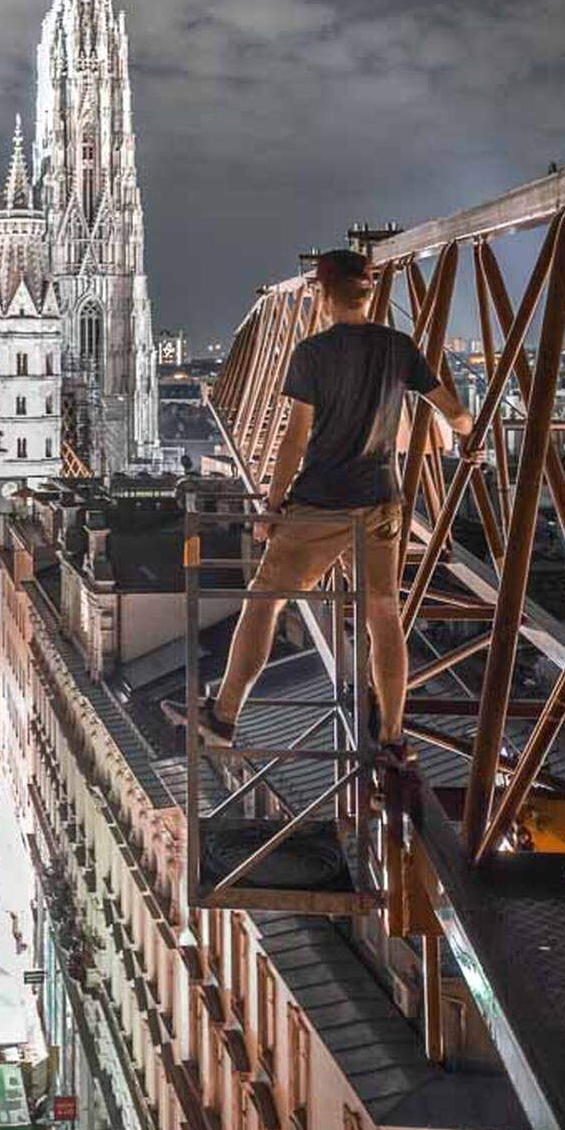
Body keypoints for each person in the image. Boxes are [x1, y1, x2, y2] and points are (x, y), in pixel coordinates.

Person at [164, 249, 475, 757]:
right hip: (381, 505)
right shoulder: (397, 346)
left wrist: (274, 505)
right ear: (367, 293)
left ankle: (224, 715)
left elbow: (294, 439)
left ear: (325, 296)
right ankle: (394, 736)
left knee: (265, 601)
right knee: (383, 613)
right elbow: (453, 410)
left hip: (320, 504)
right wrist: (467, 434)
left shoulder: (312, 354)